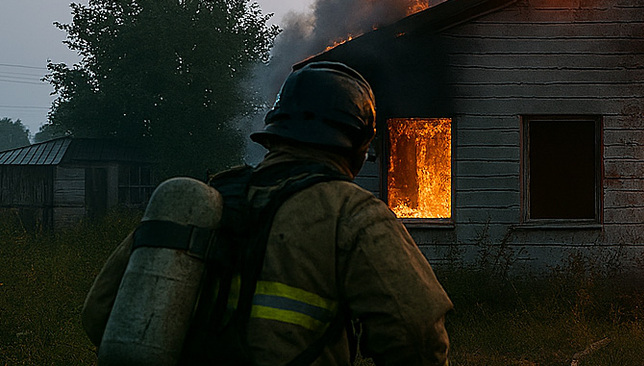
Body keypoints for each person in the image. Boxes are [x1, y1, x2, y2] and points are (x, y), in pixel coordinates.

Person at [82, 61, 453, 366]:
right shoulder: (351, 213)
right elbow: (416, 334)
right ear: (357, 144)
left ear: (275, 132)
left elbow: (100, 313)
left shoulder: (206, 201)